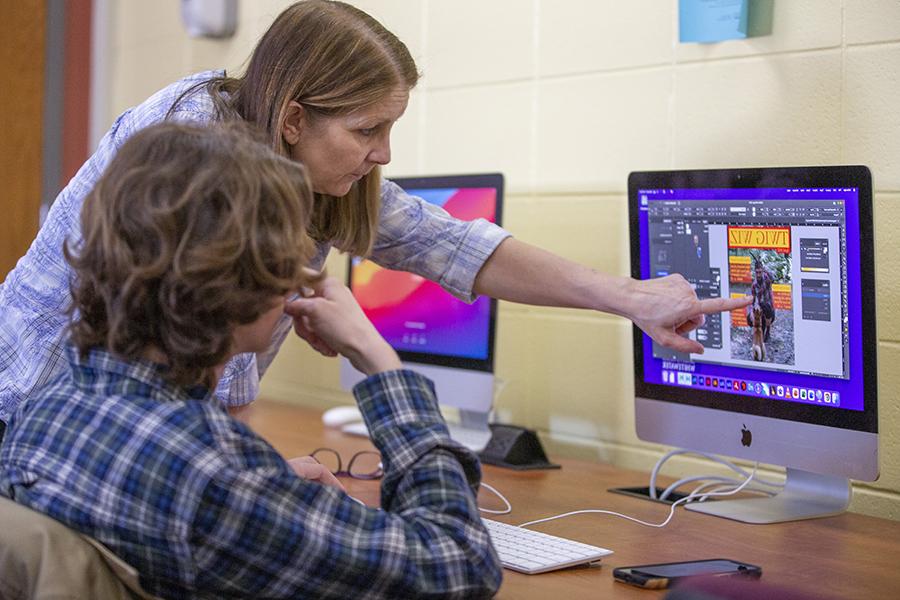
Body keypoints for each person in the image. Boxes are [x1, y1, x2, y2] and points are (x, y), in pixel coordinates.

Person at [0, 0, 748, 429]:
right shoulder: (195, 149)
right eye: (367, 131)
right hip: (37, 411)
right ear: (293, 117)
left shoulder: (316, 173)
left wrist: (630, 297)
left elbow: (452, 245)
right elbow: (193, 349)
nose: (384, 154)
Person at [0, 121, 502, 599]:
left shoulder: (45, 408)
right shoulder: (210, 475)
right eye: (291, 253)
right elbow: (459, 563)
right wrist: (380, 361)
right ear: (240, 275)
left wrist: (264, 494)